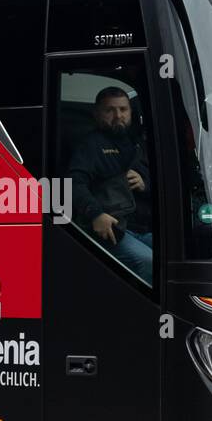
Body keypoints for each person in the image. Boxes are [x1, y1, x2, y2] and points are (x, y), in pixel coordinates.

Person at [67, 86, 154, 281]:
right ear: (97, 114)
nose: (118, 115)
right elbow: (74, 183)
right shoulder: (89, 145)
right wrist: (96, 214)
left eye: (123, 109)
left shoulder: (139, 144)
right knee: (148, 261)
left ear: (131, 112)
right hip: (112, 229)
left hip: (143, 227)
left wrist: (145, 183)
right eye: (110, 110)